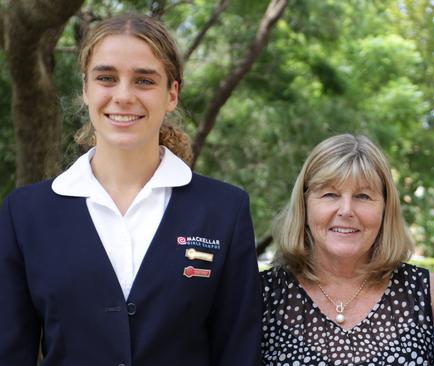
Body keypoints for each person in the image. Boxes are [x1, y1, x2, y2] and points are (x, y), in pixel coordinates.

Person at [0, 14, 261, 365]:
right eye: (106, 78)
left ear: (172, 94)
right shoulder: (24, 214)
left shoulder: (224, 210)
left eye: (143, 80)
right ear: (85, 89)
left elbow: (239, 353)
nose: (123, 96)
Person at [261, 133, 434, 365]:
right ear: (305, 205)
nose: (346, 210)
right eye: (330, 194)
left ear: (385, 208)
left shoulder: (430, 296)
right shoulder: (261, 295)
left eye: (363, 196)